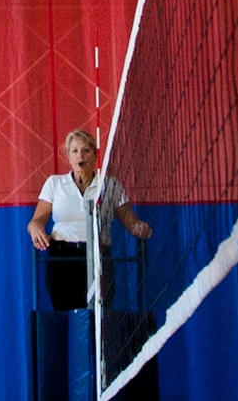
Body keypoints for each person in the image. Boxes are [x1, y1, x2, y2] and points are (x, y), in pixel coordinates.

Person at [27, 128, 152, 311]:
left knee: (101, 317)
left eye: (86, 150)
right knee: (64, 314)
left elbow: (131, 223)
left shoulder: (109, 185)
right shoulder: (54, 183)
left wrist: (140, 228)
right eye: (75, 151)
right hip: (63, 257)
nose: (80, 156)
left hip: (98, 256)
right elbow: (37, 220)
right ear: (68, 157)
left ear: (95, 155)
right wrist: (35, 227)